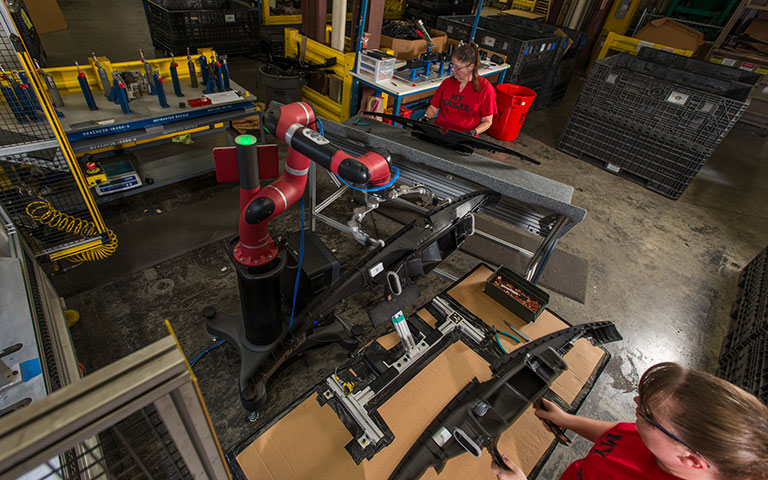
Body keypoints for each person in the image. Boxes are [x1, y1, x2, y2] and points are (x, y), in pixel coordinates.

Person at [492, 362, 768, 480]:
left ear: (692, 460)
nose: (635, 405)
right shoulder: (666, 445)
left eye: (647, 413)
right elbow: (618, 434)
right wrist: (566, 420)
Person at [421, 43, 497, 136]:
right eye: (452, 65)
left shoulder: (485, 89)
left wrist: (474, 132)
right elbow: (434, 108)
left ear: (471, 67)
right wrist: (426, 117)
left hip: (464, 137)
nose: (452, 69)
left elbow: (487, 121)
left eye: (457, 67)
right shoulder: (447, 83)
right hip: (440, 133)